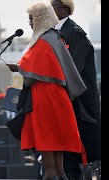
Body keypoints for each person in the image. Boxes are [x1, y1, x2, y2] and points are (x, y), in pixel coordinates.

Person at [6, 1, 87, 180]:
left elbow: (34, 72)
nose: (29, 22)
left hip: (45, 97)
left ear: (40, 19)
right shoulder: (55, 37)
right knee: (57, 146)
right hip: (57, 96)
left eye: (31, 18)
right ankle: (58, 172)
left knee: (47, 140)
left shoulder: (43, 41)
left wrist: (17, 68)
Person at [50, 0, 101, 179]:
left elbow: (73, 70)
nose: (51, 10)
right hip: (60, 101)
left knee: (75, 154)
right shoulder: (53, 32)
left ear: (65, 9)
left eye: (53, 6)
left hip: (77, 104)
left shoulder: (75, 33)